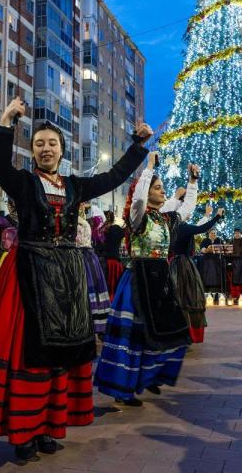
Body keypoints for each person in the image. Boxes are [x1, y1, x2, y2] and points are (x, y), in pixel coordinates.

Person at [0, 97, 149, 461]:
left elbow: (114, 176)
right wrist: (7, 121)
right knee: (28, 355)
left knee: (61, 354)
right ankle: (23, 433)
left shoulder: (74, 186)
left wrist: (137, 147)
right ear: (33, 150)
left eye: (52, 143)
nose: (45, 148)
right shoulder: (23, 183)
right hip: (28, 273)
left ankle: (46, 428)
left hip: (66, 276)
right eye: (39, 143)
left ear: (62, 150)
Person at [95, 151, 193, 406]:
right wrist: (148, 167)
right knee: (133, 336)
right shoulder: (139, 217)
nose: (163, 192)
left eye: (162, 188)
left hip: (159, 282)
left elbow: (186, 210)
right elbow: (137, 198)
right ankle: (122, 388)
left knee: (163, 332)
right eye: (158, 188)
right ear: (147, 191)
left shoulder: (164, 219)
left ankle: (147, 378)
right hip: (138, 281)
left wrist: (193, 183)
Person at [170, 204, 224, 342]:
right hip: (184, 265)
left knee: (177, 297)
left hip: (173, 264)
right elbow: (201, 228)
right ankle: (188, 333)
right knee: (190, 297)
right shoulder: (184, 227)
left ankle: (177, 331)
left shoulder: (173, 228)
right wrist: (217, 216)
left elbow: (197, 226)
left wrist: (207, 215)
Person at [77, 203, 110, 335]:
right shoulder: (85, 223)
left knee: (87, 288)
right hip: (89, 257)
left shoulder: (82, 223)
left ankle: (87, 320)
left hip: (82, 257)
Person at [101, 211, 126, 296]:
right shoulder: (116, 229)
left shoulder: (101, 229)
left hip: (104, 260)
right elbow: (126, 231)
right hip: (114, 261)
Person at [198, 229, 225, 294]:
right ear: (209, 234)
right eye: (212, 233)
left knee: (217, 277)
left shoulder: (219, 240)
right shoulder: (205, 240)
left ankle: (217, 292)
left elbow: (224, 249)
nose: (213, 235)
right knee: (207, 277)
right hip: (207, 261)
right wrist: (207, 249)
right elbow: (202, 250)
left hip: (217, 261)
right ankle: (206, 292)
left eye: (214, 233)